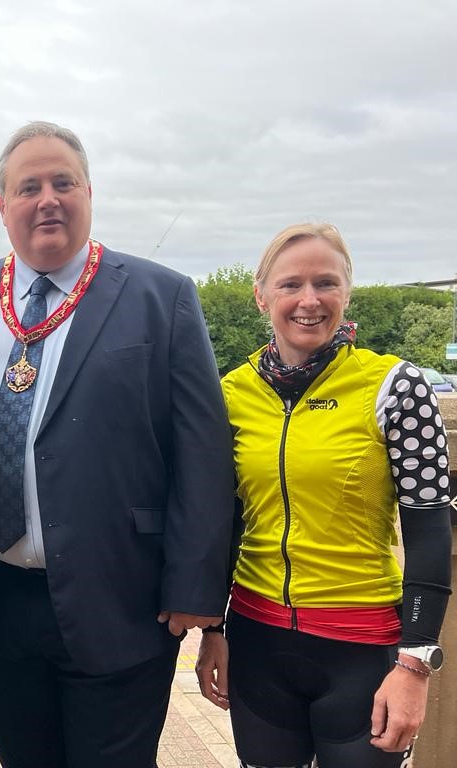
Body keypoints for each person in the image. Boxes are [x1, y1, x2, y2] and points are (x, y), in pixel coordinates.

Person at [0, 121, 235, 767]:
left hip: (121, 598)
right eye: (28, 186)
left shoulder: (161, 296)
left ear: (89, 193)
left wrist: (197, 592)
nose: (47, 199)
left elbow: (202, 454)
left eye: (62, 182)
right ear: (2, 205)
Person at [196, 223, 452, 768]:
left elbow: (429, 527)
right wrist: (214, 629)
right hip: (257, 641)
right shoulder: (232, 392)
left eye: (326, 284)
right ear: (261, 296)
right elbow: (226, 521)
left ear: (346, 294)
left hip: (362, 646)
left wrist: (415, 667)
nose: (309, 300)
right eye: (291, 285)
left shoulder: (395, 387)